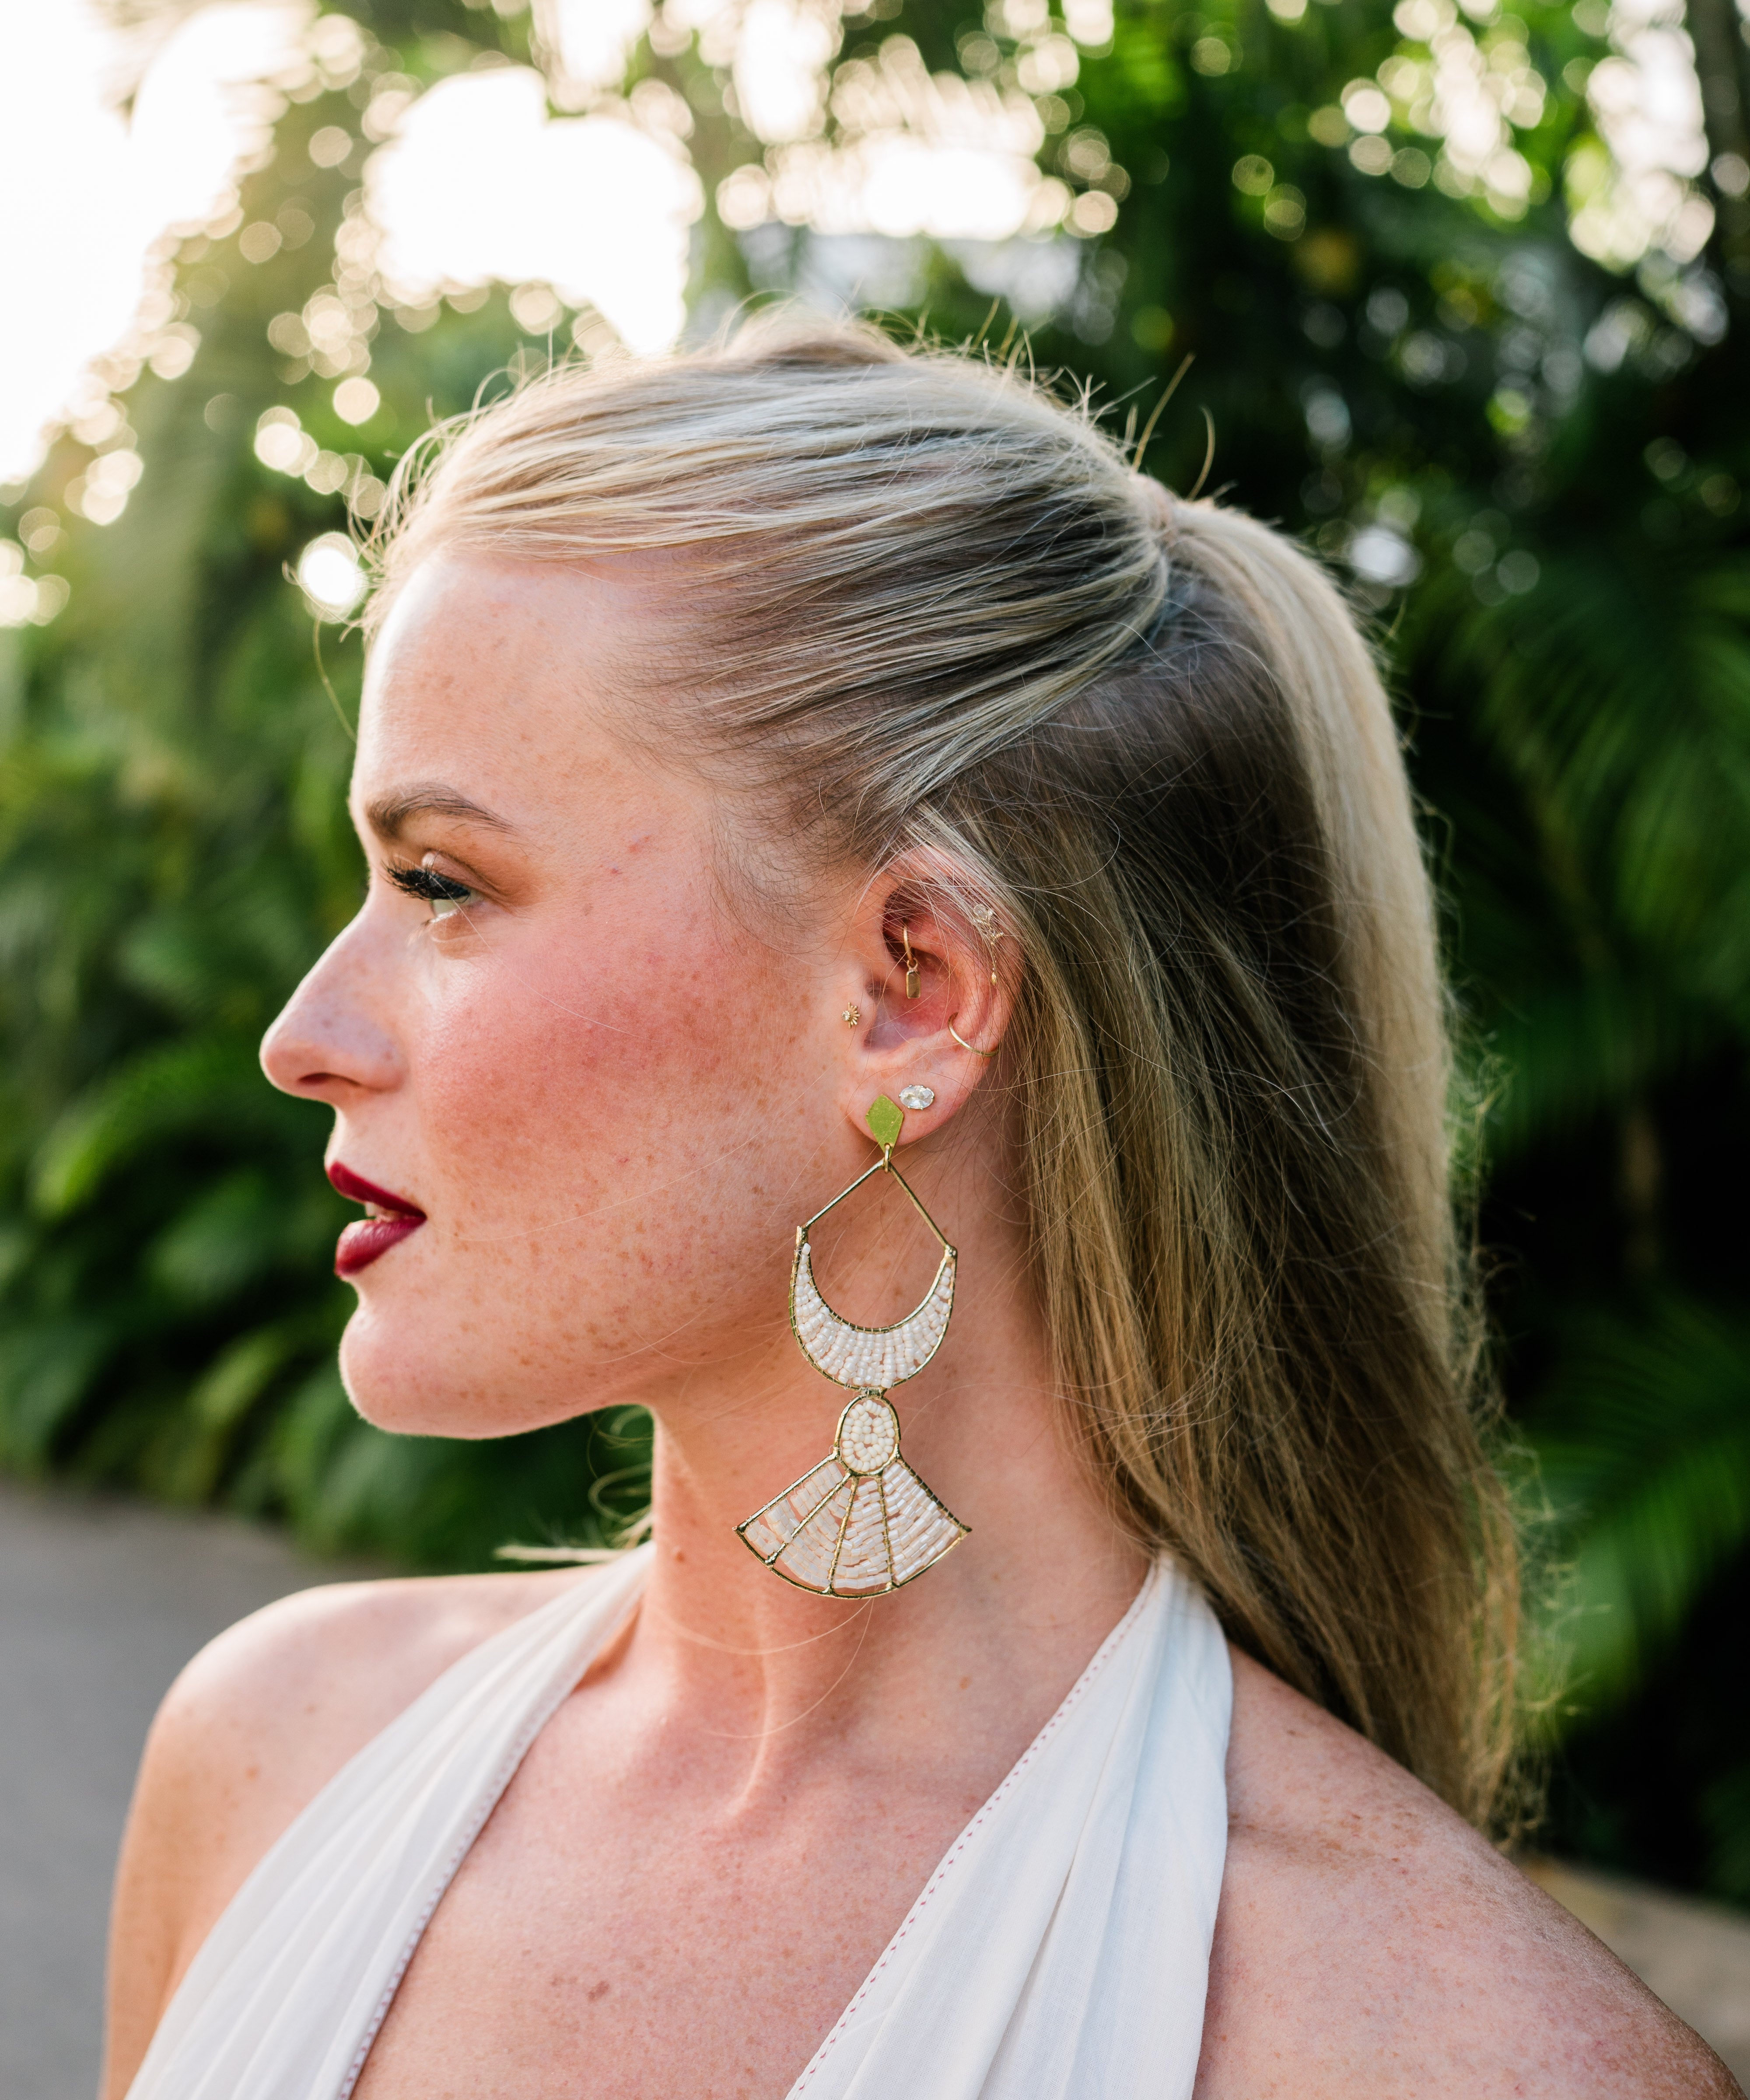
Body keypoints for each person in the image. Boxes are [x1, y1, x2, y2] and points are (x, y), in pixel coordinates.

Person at [102, 319, 1736, 2100]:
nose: (300, 1037)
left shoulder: (1442, 2059)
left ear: (909, 993)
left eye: (442, 882)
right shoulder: (277, 1758)